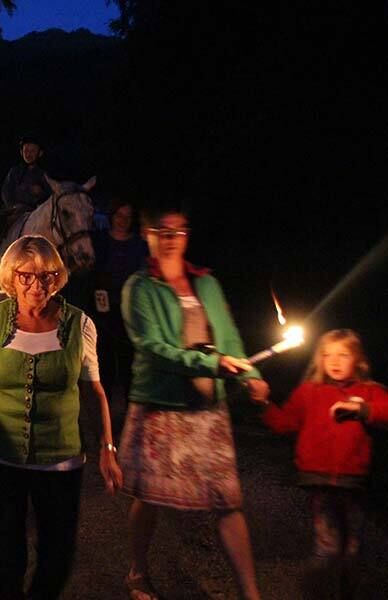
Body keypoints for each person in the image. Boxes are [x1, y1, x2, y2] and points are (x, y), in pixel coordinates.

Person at [0, 235, 122, 599]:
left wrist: (108, 448)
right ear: (10, 276)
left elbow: (95, 392)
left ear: (57, 276)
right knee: (4, 559)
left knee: (57, 559)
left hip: (60, 462)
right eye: (26, 276)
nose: (38, 285)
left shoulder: (79, 325)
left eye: (47, 276)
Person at [118, 207, 270, 600]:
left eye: (180, 231)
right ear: (147, 235)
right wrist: (211, 362)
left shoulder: (207, 284)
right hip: (160, 406)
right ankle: (137, 572)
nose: (171, 238)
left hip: (207, 408)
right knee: (149, 497)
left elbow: (230, 338)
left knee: (227, 499)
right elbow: (153, 349)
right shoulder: (140, 287)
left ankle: (250, 593)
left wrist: (251, 376)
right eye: (162, 231)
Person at [262, 329, 388, 598]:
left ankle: (348, 590)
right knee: (326, 545)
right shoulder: (309, 391)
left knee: (352, 544)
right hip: (318, 479)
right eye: (328, 355)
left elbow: (385, 413)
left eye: (343, 355)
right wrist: (262, 403)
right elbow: (284, 422)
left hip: (354, 481)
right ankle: (322, 590)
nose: (335, 361)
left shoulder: (370, 391)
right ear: (319, 360)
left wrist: (362, 409)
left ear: (358, 360)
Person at [89, 199, 148, 430]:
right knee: (104, 368)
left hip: (130, 314)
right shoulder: (100, 241)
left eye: (127, 216)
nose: (122, 221)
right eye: (119, 215)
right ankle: (104, 422)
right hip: (104, 313)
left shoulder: (138, 245)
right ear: (112, 216)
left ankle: (131, 420)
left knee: (129, 367)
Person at [0, 135, 52, 270]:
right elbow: (6, 191)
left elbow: (48, 196)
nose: (29, 154)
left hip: (34, 211)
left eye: (32, 151)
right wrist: (12, 205)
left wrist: (39, 196)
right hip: (14, 209)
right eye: (26, 151)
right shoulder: (15, 172)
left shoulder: (43, 175)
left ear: (40, 153)